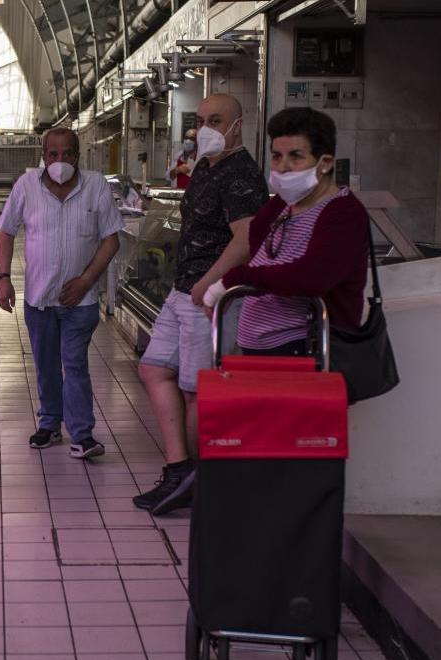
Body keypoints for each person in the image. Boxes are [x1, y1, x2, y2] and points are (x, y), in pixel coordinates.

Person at [132, 94, 269, 515]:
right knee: (153, 368)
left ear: (238, 126)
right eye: (201, 120)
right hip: (183, 290)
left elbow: (247, 240)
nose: (205, 128)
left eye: (216, 120)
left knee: (196, 389)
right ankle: (181, 468)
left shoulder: (241, 175)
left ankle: (201, 481)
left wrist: (209, 286)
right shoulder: (207, 168)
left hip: (210, 298)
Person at [0, 127, 123, 460]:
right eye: (53, 154)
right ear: (43, 155)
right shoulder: (27, 186)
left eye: (67, 153)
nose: (60, 160)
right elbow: (7, 232)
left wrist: (85, 281)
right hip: (39, 298)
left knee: (75, 364)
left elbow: (111, 239)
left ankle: (82, 435)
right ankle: (50, 424)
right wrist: (4, 278)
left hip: (80, 302)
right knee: (46, 364)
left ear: (78, 156)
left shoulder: (95, 186)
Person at [203, 107, 369, 355]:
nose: (283, 166)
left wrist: (236, 279)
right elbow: (258, 244)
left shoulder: (344, 213)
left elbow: (310, 278)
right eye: (277, 156)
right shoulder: (283, 204)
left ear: (325, 162)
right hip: (259, 347)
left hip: (304, 349)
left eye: (296, 156)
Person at [169, 125, 199, 190]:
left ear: (197, 141)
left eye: (192, 139)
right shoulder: (179, 156)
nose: (188, 141)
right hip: (179, 192)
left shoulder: (202, 157)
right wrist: (178, 170)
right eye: (186, 138)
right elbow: (170, 176)